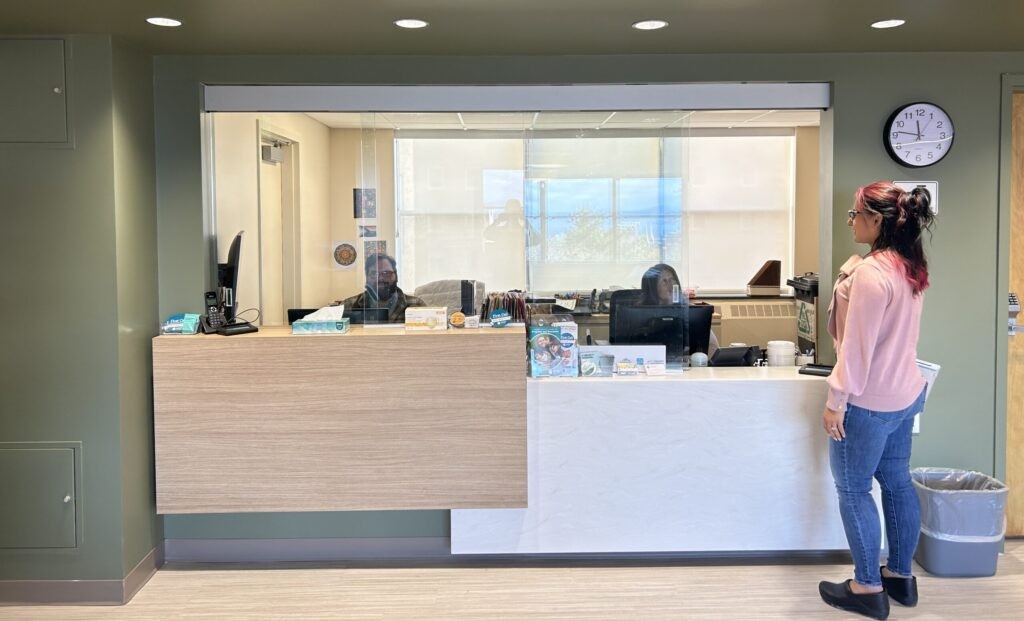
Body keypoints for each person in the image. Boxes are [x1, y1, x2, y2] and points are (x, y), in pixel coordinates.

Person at [817, 182, 935, 620]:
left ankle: (866, 586)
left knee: (852, 489)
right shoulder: (908, 267)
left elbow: (856, 349)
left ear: (876, 220)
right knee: (897, 482)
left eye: (854, 214)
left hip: (867, 402)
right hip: (904, 394)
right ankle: (900, 577)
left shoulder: (870, 274)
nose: (851, 221)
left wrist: (836, 400)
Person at [639, 263, 719, 357]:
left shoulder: (689, 311)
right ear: (653, 289)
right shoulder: (642, 313)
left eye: (672, 279)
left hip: (687, 365)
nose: (671, 285)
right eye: (664, 281)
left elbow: (712, 347)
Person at [335, 253, 425, 323]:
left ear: (396, 276)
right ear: (367, 277)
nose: (380, 278)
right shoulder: (348, 306)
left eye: (386, 273)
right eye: (374, 273)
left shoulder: (416, 305)